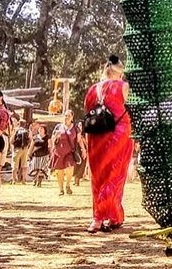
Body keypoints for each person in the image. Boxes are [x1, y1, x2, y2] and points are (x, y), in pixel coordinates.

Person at [83, 54, 133, 233]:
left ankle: (99, 217)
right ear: (121, 72)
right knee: (115, 175)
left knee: (98, 177)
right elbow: (131, 109)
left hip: (96, 136)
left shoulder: (92, 90)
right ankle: (107, 217)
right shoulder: (123, 86)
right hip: (118, 134)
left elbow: (88, 111)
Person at [50, 110, 78, 195]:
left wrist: (83, 149)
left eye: (68, 116)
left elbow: (79, 139)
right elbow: (52, 139)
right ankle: (61, 189)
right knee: (59, 171)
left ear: (72, 117)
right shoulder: (58, 127)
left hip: (70, 151)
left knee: (70, 167)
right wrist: (56, 137)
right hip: (58, 151)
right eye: (65, 115)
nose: (66, 117)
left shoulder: (75, 127)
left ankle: (68, 185)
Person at [11, 119, 31, 184]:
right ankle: (24, 180)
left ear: (19, 124)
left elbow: (11, 140)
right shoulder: (27, 131)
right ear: (25, 124)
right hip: (25, 149)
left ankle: (14, 180)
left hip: (17, 148)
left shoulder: (16, 130)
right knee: (24, 165)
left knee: (15, 165)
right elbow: (30, 139)